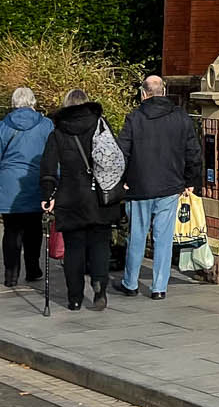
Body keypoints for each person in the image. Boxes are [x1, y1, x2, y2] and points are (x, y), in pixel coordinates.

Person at [115, 75, 201, 300]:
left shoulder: (134, 118)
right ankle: (159, 287)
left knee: (137, 236)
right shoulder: (181, 117)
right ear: (164, 91)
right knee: (163, 239)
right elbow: (193, 151)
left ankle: (130, 283)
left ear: (144, 93)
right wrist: (191, 180)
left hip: (139, 185)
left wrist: (122, 178)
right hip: (170, 185)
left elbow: (122, 152)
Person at [39, 89, 123, 312]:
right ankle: (99, 286)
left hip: (70, 196)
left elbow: (48, 167)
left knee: (74, 248)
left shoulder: (57, 132)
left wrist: (47, 195)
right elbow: (115, 155)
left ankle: (74, 298)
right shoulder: (100, 125)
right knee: (99, 244)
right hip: (99, 196)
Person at [0, 88, 54, 286]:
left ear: (13, 103)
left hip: (8, 185)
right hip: (35, 181)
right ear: (33, 102)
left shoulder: (3, 126)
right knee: (33, 228)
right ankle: (33, 269)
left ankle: (11, 275)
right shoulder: (46, 125)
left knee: (11, 230)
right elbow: (52, 156)